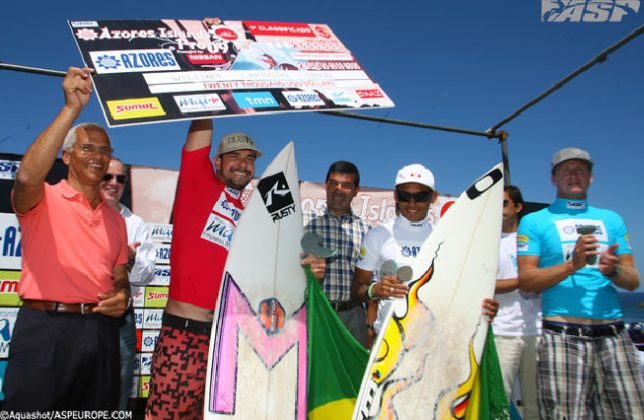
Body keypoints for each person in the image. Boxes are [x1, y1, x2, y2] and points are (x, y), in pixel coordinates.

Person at [3, 67, 130, 410]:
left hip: (100, 334)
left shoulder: (116, 221)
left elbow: (121, 277)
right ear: (67, 155)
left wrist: (123, 295)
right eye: (87, 147)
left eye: (104, 150)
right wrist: (71, 108)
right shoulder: (42, 198)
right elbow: (27, 174)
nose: (97, 156)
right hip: (45, 330)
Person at [144, 119, 262, 419]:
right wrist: (209, 83)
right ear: (216, 161)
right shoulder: (198, 183)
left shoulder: (249, 215)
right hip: (184, 336)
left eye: (250, 159)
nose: (243, 164)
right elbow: (200, 128)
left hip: (226, 340)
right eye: (234, 156)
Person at [517, 147, 643, 419]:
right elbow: (527, 281)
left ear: (591, 178)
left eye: (580, 170)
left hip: (614, 336)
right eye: (566, 170)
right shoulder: (534, 222)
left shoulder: (612, 219)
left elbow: (633, 281)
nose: (573, 175)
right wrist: (572, 265)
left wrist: (614, 270)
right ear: (553, 178)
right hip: (562, 337)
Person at [352, 163, 498, 343]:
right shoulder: (377, 236)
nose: (412, 203)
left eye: (421, 196)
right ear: (396, 196)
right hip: (389, 341)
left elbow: (461, 290)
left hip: (435, 341)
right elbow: (356, 291)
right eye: (405, 196)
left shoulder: (446, 239)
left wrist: (483, 307)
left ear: (433, 197)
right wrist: (374, 290)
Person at [101, 157, 156, 410]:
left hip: (121, 319)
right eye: (107, 176)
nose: (113, 183)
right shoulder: (78, 214)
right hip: (79, 315)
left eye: (120, 178)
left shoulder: (135, 224)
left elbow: (147, 276)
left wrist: (131, 258)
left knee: (119, 391)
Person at [304, 161, 370, 347]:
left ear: (356, 190)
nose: (338, 189)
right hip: (313, 313)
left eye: (346, 185)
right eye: (333, 183)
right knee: (310, 373)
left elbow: (369, 281)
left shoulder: (367, 230)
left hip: (353, 316)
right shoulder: (304, 221)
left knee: (351, 375)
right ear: (326, 185)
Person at [493, 185, 540, 419]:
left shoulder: (535, 240)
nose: (497, 208)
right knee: (500, 401)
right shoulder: (487, 243)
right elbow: (486, 286)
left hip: (537, 331)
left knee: (536, 404)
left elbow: (546, 281)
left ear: (518, 207)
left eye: (503, 203)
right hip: (502, 332)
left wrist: (534, 280)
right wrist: (524, 280)